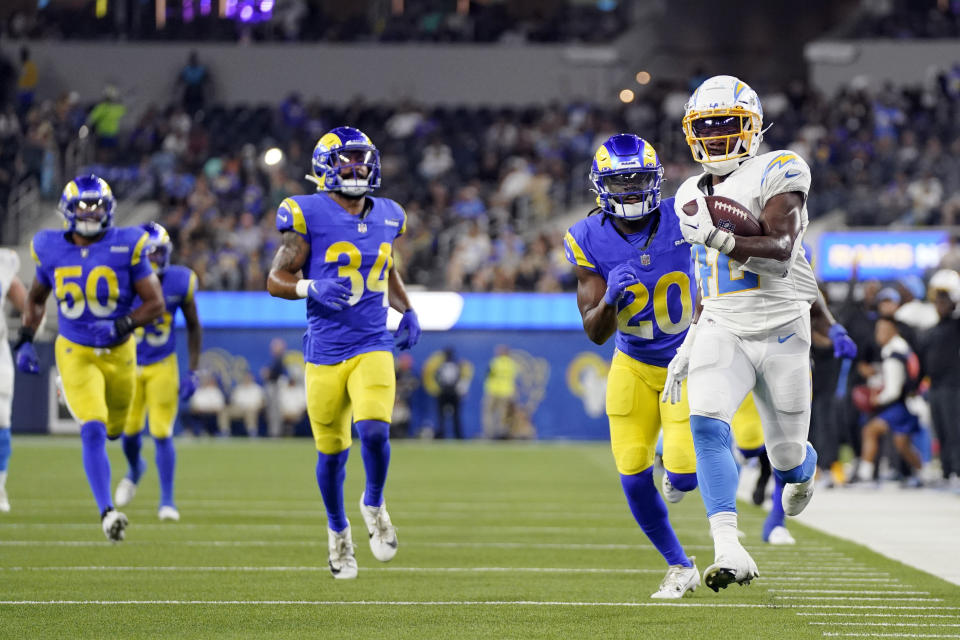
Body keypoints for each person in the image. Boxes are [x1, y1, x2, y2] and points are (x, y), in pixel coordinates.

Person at [664, 75, 857, 591]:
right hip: (724, 323)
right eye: (707, 126)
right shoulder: (688, 191)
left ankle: (803, 469)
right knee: (707, 425)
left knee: (786, 458)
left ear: (752, 126)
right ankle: (728, 546)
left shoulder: (781, 167)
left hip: (781, 328)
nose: (719, 135)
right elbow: (705, 276)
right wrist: (690, 337)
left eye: (728, 123)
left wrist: (719, 237)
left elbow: (781, 252)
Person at [266, 126, 421, 579]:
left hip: (373, 342)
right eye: (346, 160)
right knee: (332, 455)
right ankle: (338, 533)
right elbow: (275, 280)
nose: (357, 168)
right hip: (325, 351)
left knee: (374, 432)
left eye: (362, 159)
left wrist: (406, 309)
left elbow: (385, 265)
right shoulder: (306, 212)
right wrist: (310, 285)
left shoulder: (390, 214)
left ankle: (373, 503)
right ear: (324, 168)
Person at [564, 134, 700, 599]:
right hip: (634, 363)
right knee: (631, 473)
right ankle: (679, 565)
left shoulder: (685, 216)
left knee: (682, 477)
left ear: (656, 180)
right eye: (619, 182)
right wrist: (607, 300)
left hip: (686, 363)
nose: (629, 191)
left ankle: (677, 463)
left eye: (638, 180)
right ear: (600, 186)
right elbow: (594, 331)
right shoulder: (585, 238)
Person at [14, 175, 165, 541]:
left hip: (119, 352)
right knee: (93, 428)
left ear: (109, 208)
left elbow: (155, 303)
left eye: (97, 204)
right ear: (68, 209)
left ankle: (132, 466)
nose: (90, 211)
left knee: (115, 429)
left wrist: (125, 323)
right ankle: (106, 513)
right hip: (75, 349)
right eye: (83, 205)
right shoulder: (50, 248)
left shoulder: (126, 244)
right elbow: (35, 298)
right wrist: (24, 339)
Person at [113, 222, 202, 522]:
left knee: (162, 431)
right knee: (129, 433)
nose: (152, 260)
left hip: (163, 363)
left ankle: (167, 501)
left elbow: (193, 325)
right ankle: (136, 468)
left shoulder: (180, 281)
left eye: (158, 253)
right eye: (147, 254)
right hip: (129, 362)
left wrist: (193, 370)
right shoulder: (122, 278)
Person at [857, 317, 925, 485]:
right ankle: (923, 473)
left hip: (899, 405)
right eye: (878, 330)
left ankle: (864, 476)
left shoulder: (893, 352)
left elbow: (893, 390)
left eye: (883, 330)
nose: (879, 334)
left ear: (893, 331)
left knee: (870, 431)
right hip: (907, 402)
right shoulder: (901, 347)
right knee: (902, 444)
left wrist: (877, 399)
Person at [919, 269, 960, 486]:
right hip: (934, 387)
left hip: (953, 386)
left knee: (955, 430)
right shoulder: (932, 330)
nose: (940, 304)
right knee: (941, 431)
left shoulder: (956, 326)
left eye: (945, 300)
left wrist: (955, 293)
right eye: (938, 301)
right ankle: (946, 472)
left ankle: (956, 472)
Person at [0, 249, 27, 512]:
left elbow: (27, 304)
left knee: (1, 420)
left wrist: (31, 330)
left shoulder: (3, 262)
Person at [482, 344, 517, 439]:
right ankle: (501, 435)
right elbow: (513, 379)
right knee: (502, 416)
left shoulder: (495, 362)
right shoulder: (511, 364)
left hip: (493, 391)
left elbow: (487, 375)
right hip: (506, 392)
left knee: (488, 413)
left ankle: (489, 434)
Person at [435, 346, 468, 439]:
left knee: (442, 416)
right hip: (453, 392)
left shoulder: (441, 365)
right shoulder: (457, 365)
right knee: (455, 416)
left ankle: (442, 434)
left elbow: (437, 378)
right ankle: (458, 435)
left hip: (444, 392)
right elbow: (460, 378)